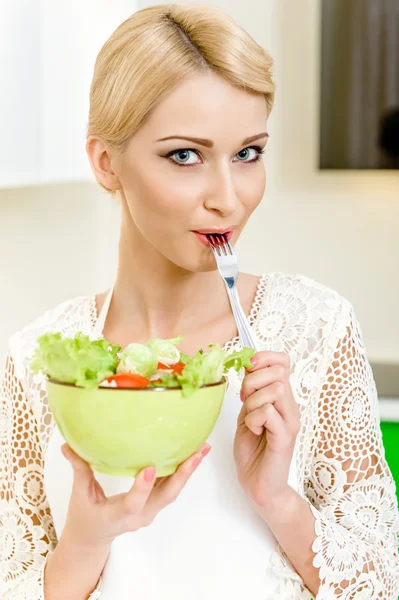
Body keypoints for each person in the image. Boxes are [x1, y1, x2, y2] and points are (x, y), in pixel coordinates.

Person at [1, 4, 399, 600]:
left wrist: (277, 500)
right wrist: (85, 544)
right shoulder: (37, 361)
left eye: (248, 153)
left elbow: (381, 586)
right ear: (106, 163)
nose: (228, 198)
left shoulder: (316, 329)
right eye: (185, 155)